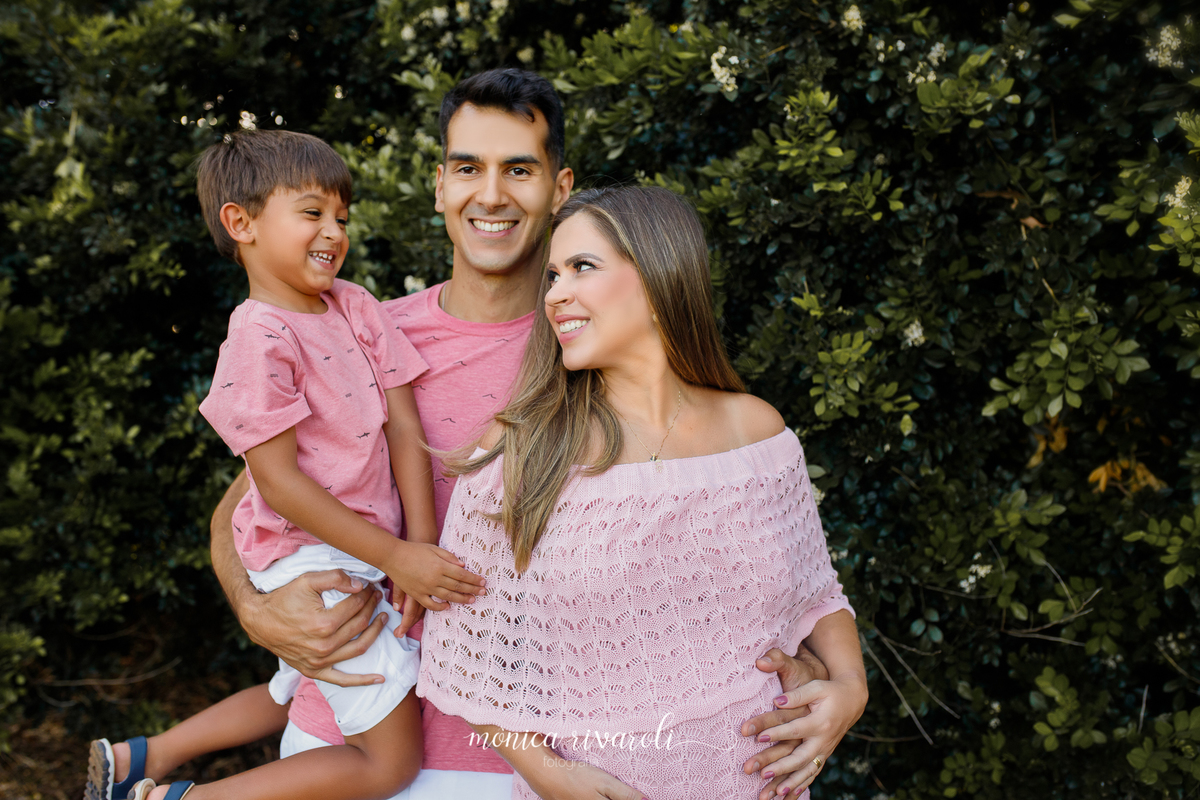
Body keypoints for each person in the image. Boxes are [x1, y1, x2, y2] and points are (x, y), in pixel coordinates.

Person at [208, 69, 838, 800]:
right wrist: (255, 609)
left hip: (551, 763)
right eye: (467, 168)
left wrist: (838, 684)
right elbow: (247, 505)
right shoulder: (359, 334)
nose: (491, 194)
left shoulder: (598, 340)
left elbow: (723, 549)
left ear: (559, 187)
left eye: (518, 169)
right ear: (439, 185)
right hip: (352, 738)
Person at [418, 185, 869, 800]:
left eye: (582, 267)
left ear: (659, 278)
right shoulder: (521, 451)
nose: (554, 294)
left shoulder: (757, 434)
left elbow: (816, 593)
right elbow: (467, 657)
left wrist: (849, 688)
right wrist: (550, 775)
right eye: (552, 275)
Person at [89, 129, 488, 800]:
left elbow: (404, 426)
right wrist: (397, 556)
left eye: (341, 217)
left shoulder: (355, 306)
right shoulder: (256, 338)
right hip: (310, 556)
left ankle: (142, 758)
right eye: (311, 212)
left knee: (300, 690)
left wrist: (418, 543)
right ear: (240, 223)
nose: (334, 231)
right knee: (390, 762)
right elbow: (277, 484)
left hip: (369, 551)